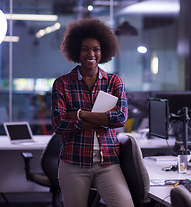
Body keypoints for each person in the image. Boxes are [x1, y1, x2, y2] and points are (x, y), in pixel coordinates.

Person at [51, 18, 134, 207]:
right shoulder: (63, 83)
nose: (91, 53)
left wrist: (80, 114)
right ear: (76, 52)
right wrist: (104, 119)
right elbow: (59, 125)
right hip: (73, 162)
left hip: (108, 162)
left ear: (103, 51)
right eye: (85, 49)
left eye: (96, 49)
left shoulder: (114, 82)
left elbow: (120, 117)